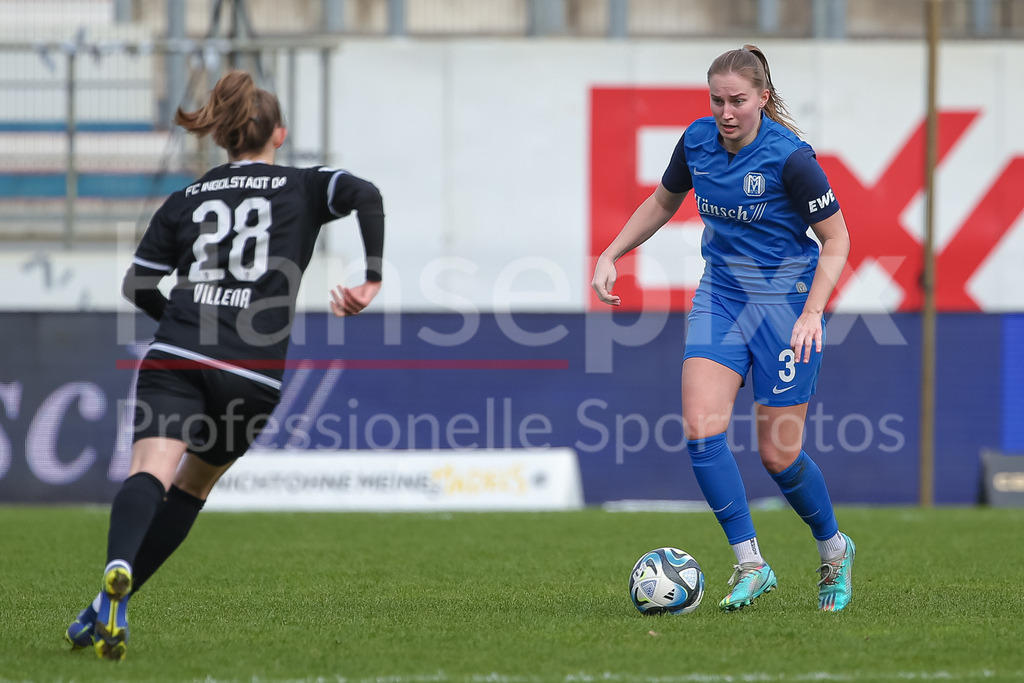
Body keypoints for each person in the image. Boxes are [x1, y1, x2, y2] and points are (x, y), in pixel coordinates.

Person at [64, 70, 385, 660]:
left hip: (181, 355)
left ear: (223, 136)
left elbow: (138, 284)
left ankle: (116, 570)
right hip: (252, 375)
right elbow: (365, 193)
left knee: (150, 472)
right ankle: (109, 604)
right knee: (192, 488)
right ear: (279, 134)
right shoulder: (304, 186)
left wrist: (185, 321)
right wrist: (371, 277)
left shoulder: (186, 198)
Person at [591, 45, 854, 612]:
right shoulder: (696, 142)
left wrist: (812, 312)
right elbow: (662, 202)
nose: (726, 112)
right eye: (717, 100)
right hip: (722, 298)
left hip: (785, 308)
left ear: (762, 98)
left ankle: (834, 550)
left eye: (738, 100)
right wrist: (612, 252)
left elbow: (837, 238)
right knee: (701, 429)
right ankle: (751, 564)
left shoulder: (791, 159)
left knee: (778, 456)